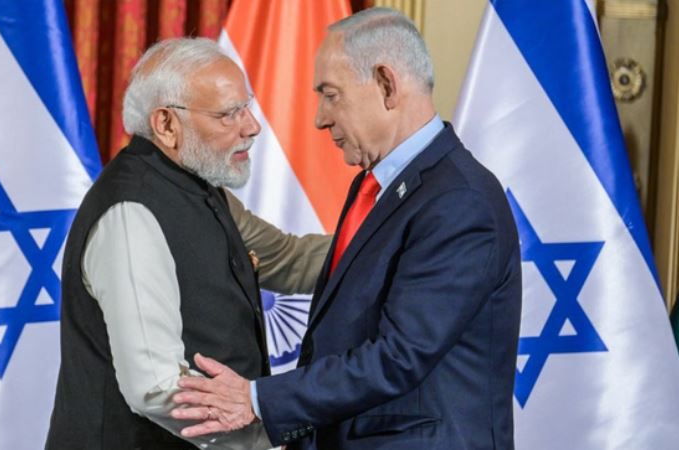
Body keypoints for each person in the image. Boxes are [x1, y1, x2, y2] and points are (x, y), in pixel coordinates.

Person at [172, 7, 522, 450]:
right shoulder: (376, 186)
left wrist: (257, 399)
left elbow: (399, 356)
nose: (320, 118)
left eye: (331, 95)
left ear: (386, 84)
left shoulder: (459, 202)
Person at [45, 37, 330, 450]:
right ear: (166, 124)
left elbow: (289, 259)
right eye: (229, 114)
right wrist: (263, 432)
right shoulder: (131, 212)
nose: (252, 126)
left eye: (246, 107)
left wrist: (394, 241)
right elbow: (156, 386)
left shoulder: (199, 188)